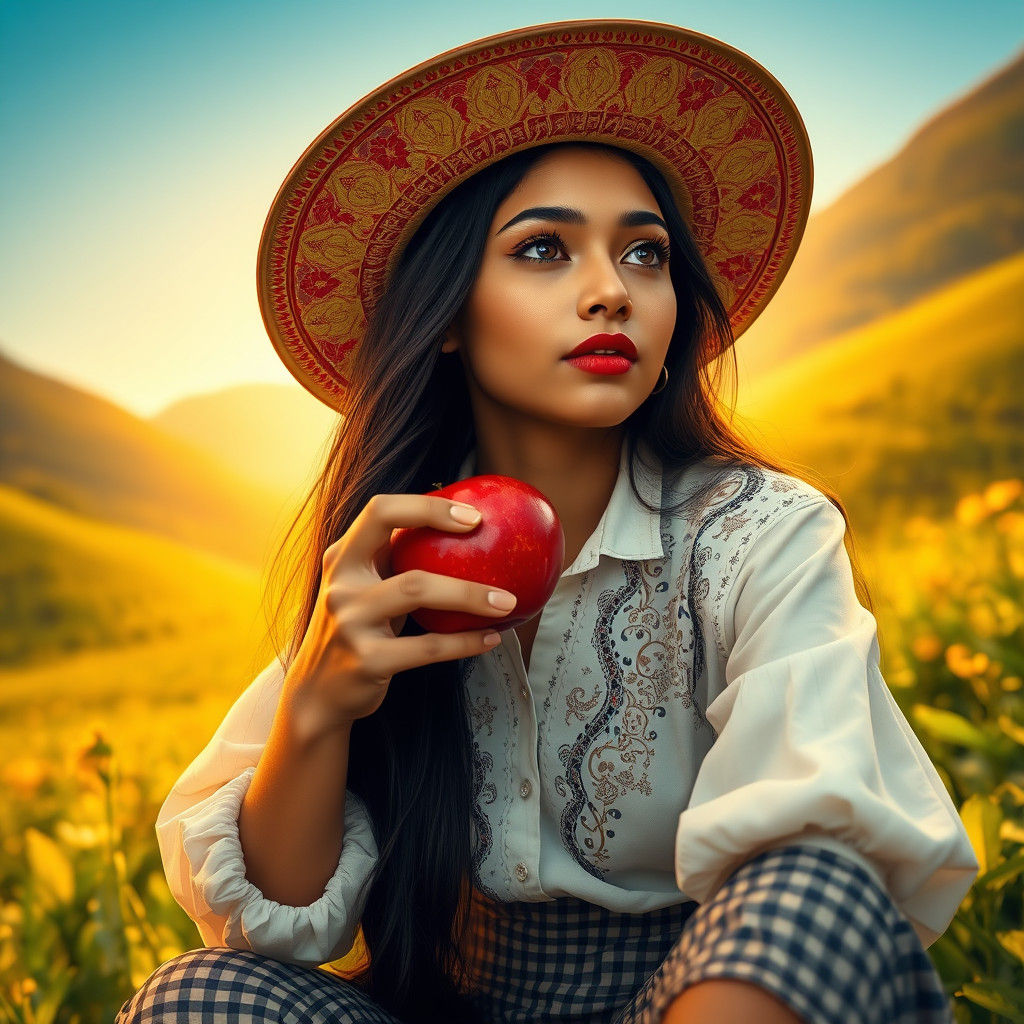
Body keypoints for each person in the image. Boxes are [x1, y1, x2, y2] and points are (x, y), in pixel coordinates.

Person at [116, 19, 979, 1024]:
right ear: (443, 312)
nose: (610, 290)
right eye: (542, 249)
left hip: (708, 991)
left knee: (812, 886)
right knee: (200, 995)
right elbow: (274, 927)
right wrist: (317, 706)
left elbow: (816, 857)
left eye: (645, 255)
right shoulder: (390, 564)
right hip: (454, 1006)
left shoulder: (759, 532)